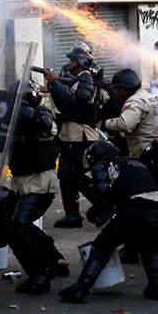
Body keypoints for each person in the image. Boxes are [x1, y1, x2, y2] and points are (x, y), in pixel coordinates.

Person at [58, 140, 158, 303]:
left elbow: (103, 194)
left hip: (135, 209)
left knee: (102, 247)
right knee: (147, 246)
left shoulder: (104, 165)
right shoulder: (136, 163)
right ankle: (157, 287)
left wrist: (94, 210)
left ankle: (80, 289)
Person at [103, 68, 158, 257]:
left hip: (147, 155)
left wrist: (107, 123)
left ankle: (135, 248)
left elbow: (126, 124)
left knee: (140, 202)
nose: (117, 93)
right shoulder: (148, 96)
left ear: (127, 88)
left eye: (119, 89)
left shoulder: (134, 101)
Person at [4, 80, 64, 295]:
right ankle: (54, 258)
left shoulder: (41, 114)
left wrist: (27, 112)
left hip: (39, 182)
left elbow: (48, 127)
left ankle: (40, 275)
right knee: (9, 227)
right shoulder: (12, 121)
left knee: (19, 227)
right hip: (19, 182)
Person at [44, 45, 100, 228]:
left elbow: (76, 101)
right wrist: (53, 86)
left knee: (79, 176)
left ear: (81, 62)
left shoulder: (87, 79)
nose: (69, 63)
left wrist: (56, 83)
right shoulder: (75, 79)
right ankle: (72, 215)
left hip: (80, 137)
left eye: (73, 60)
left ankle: (104, 205)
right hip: (70, 137)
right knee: (67, 176)